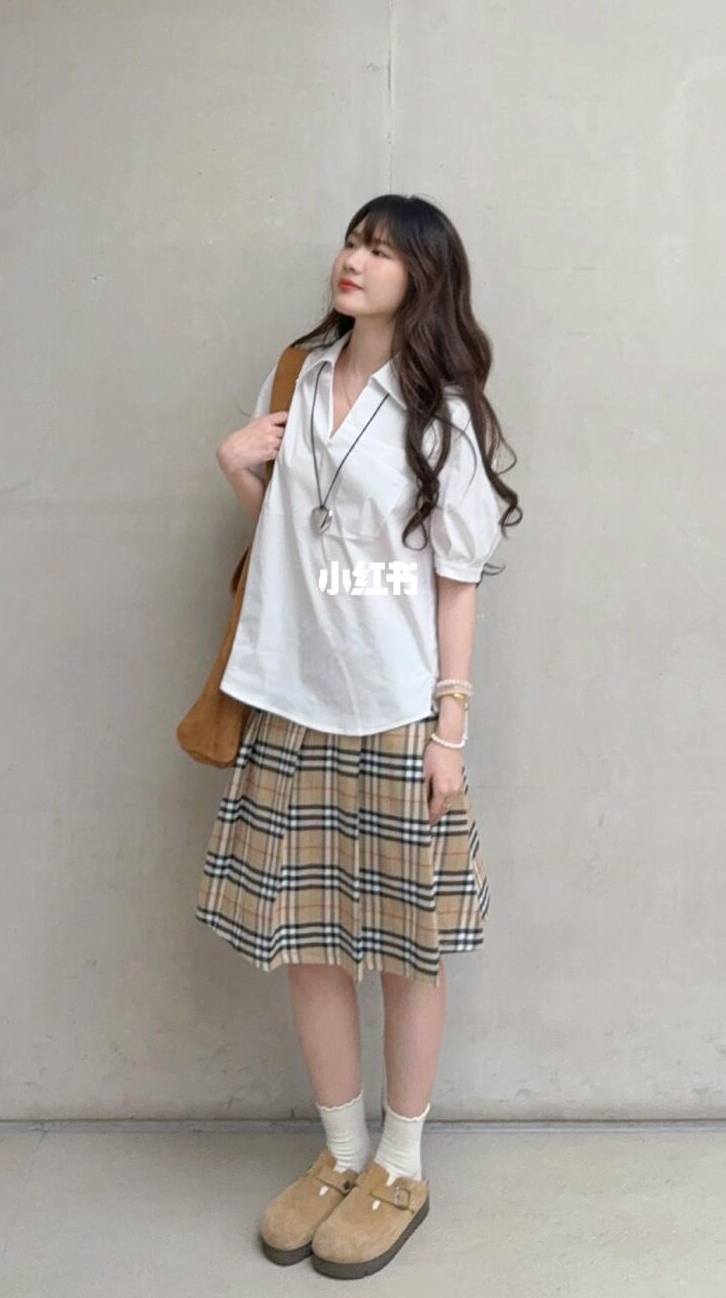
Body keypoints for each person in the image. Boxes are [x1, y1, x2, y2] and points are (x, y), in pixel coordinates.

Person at [194, 193, 522, 1278]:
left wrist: (450, 726)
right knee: (308, 946)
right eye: (353, 241)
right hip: (290, 697)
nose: (355, 260)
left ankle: (401, 1168)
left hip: (393, 708)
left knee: (406, 954)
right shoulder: (296, 375)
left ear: (422, 277)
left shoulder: (445, 413)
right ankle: (339, 1155)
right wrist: (239, 467)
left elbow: (459, 579)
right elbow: (299, 538)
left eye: (381, 251)